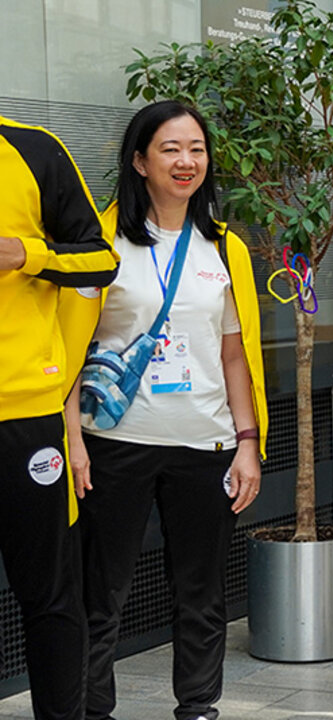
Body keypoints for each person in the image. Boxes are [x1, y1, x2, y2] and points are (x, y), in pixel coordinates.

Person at [63, 100, 266, 720]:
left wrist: (249, 442)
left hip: (204, 444)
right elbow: (67, 348)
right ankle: (93, 709)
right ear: (139, 160)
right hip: (113, 442)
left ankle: (199, 707)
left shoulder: (223, 247)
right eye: (171, 149)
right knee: (103, 592)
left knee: (201, 593)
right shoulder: (100, 242)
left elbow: (235, 355)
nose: (186, 161)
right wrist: (71, 437)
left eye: (197, 149)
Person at [0, 113, 117, 720]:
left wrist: (26, 253)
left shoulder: (32, 149)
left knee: (49, 597)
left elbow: (99, 260)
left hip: (25, 418)